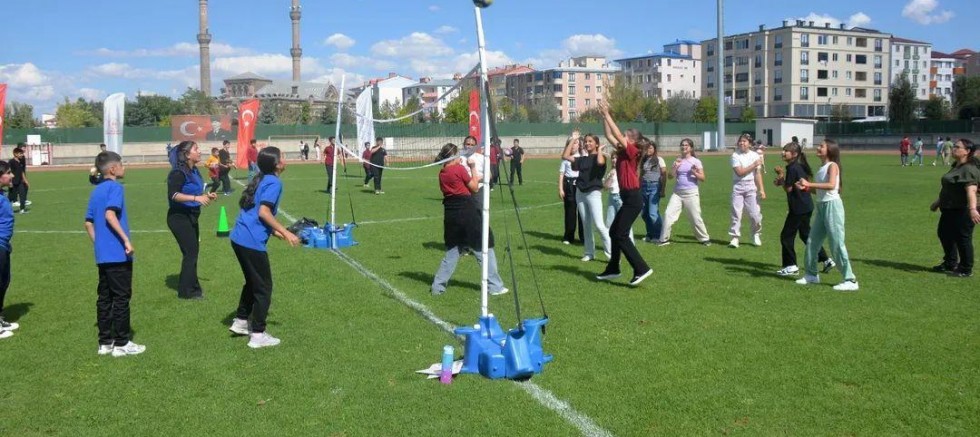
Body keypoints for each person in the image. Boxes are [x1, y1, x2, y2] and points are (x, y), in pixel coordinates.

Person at [227, 146, 301, 348]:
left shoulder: (262, 178)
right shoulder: (274, 182)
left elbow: (259, 216)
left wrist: (278, 234)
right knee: (264, 287)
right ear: (276, 164)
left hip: (239, 237)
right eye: (282, 157)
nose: (285, 159)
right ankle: (258, 334)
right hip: (250, 240)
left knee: (252, 282)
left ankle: (241, 321)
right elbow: (263, 213)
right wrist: (286, 233)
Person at [84, 151, 145, 357]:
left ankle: (105, 342)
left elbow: (88, 222)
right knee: (121, 298)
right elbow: (110, 215)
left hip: (102, 255)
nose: (123, 167)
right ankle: (122, 343)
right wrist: (126, 240)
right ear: (112, 169)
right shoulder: (115, 188)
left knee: (104, 297)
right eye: (121, 164)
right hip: (118, 254)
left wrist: (98, 243)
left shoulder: (96, 191)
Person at [430, 143, 508, 296]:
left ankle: (437, 287)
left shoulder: (442, 172)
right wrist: (472, 167)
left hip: (451, 214)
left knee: (453, 251)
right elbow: (474, 187)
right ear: (454, 156)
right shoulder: (458, 169)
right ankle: (495, 286)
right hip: (467, 212)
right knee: (484, 247)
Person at [595, 101, 652, 285]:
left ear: (633, 141)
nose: (622, 140)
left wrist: (608, 113)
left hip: (633, 198)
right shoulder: (621, 152)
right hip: (628, 198)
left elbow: (617, 134)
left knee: (620, 234)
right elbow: (608, 134)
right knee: (614, 232)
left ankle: (641, 268)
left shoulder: (633, 151)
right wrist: (604, 116)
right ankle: (613, 268)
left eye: (627, 137)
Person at [795, 139, 859, 291]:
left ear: (830, 150)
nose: (818, 147)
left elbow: (831, 186)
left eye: (822, 146)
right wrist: (805, 188)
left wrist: (809, 184)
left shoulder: (833, 166)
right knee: (812, 242)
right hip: (822, 207)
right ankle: (811, 275)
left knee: (836, 243)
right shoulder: (822, 167)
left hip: (833, 207)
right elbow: (820, 190)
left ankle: (850, 280)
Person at [772, 142, 835, 276]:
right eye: (783, 150)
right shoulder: (798, 166)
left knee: (786, 236)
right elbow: (792, 186)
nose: (783, 153)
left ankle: (791, 266)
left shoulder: (792, 168)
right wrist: (782, 181)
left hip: (798, 208)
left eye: (786, 151)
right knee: (806, 234)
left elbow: (788, 189)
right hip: (806, 206)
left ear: (794, 154)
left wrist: (781, 175)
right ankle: (826, 260)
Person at [167, 141, 217, 300]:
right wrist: (196, 198)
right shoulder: (178, 173)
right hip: (179, 217)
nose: (200, 151)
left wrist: (206, 196)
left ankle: (192, 287)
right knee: (191, 253)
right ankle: (187, 291)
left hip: (192, 216)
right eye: (196, 149)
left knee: (192, 253)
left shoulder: (194, 171)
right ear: (187, 154)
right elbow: (173, 195)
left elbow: (196, 192)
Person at [930, 138, 980, 278]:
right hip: (950, 207)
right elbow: (951, 187)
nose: (953, 149)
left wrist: (972, 209)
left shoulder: (969, 169)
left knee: (962, 237)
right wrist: (938, 202)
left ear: (967, 151)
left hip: (964, 209)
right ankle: (950, 262)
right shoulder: (957, 165)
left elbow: (971, 190)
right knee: (944, 233)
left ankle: (965, 268)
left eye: (957, 147)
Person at [562, 134, 610, 262]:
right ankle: (589, 253)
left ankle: (612, 254)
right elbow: (565, 156)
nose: (587, 143)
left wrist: (599, 150)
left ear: (596, 144)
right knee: (586, 225)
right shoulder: (582, 159)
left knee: (599, 225)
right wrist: (573, 139)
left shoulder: (601, 157)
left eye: (590, 141)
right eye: (585, 141)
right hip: (580, 193)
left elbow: (600, 162)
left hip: (593, 193)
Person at [659, 138, 711, 246]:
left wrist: (694, 172)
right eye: (682, 145)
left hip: (691, 193)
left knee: (695, 217)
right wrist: (675, 167)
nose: (683, 147)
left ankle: (704, 239)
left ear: (691, 148)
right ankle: (663, 239)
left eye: (686, 145)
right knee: (668, 214)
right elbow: (670, 177)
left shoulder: (696, 161)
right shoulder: (677, 160)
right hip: (677, 193)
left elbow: (703, 178)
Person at [729, 133, 766, 248]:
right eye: (740, 141)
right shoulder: (735, 156)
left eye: (744, 141)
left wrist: (762, 189)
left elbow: (757, 174)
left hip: (751, 187)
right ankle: (735, 238)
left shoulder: (755, 155)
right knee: (736, 213)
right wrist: (754, 164)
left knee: (755, 214)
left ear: (750, 144)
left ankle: (755, 234)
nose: (742, 143)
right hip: (738, 186)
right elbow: (739, 172)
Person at [0, 162, 17, 337]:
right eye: (8, 173)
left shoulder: (2, 194)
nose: (11, 176)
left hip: (4, 244)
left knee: (4, 281)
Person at [558, 139, 585, 245]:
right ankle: (569, 236)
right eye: (571, 143)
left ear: (579, 145)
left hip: (580, 185)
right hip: (569, 186)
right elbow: (561, 174)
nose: (573, 146)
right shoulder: (565, 159)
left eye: (575, 143)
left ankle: (584, 237)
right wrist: (560, 188)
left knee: (582, 212)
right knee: (570, 212)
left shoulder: (583, 157)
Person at [604, 154, 634, 243]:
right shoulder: (611, 171)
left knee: (625, 223)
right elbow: (605, 187)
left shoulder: (623, 169)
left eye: (616, 158)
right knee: (609, 223)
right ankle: (610, 244)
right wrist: (610, 177)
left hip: (620, 197)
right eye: (613, 158)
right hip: (611, 198)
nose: (614, 160)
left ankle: (631, 243)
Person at [640, 140, 666, 243]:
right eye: (646, 148)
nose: (648, 150)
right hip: (643, 187)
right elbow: (640, 175)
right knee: (644, 213)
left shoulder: (659, 160)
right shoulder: (643, 160)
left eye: (650, 148)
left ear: (654, 149)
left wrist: (663, 189)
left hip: (654, 187)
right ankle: (649, 234)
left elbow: (664, 174)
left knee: (653, 213)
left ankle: (658, 235)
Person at [8, 147, 29, 214]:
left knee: (22, 195)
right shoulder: (11, 161)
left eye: (22, 153)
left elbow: (22, 172)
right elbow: (9, 172)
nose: (21, 155)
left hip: (20, 182)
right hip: (13, 182)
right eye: (20, 153)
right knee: (10, 198)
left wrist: (25, 180)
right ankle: (5, 210)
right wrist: (10, 182)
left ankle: (22, 210)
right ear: (15, 154)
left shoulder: (21, 161)